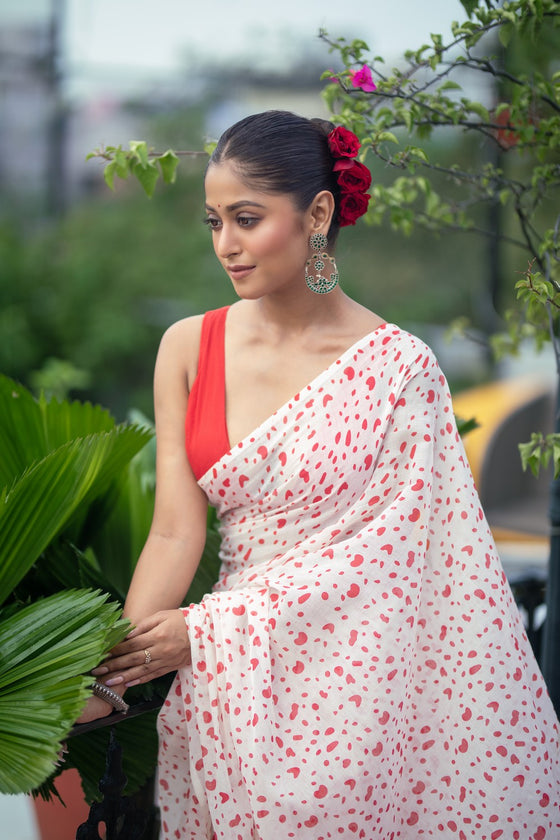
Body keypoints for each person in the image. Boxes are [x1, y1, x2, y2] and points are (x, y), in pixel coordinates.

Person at [79, 110, 560, 839]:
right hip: (234, 699)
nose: (226, 246)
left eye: (246, 218)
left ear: (320, 214)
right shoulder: (188, 346)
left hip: (355, 701)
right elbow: (176, 533)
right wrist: (111, 676)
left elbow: (393, 566)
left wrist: (205, 632)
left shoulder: (400, 370)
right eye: (213, 222)